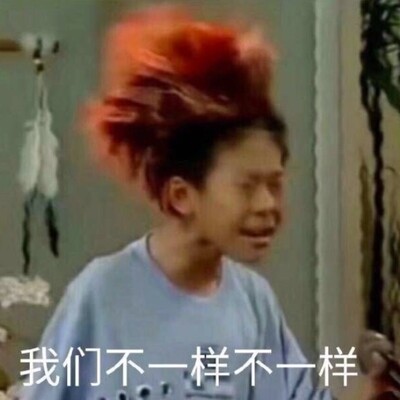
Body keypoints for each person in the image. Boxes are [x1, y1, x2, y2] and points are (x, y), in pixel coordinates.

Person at [17, 5, 395, 400]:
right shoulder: (101, 294)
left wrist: (370, 390)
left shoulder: (252, 302)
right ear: (182, 196)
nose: (268, 204)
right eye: (247, 186)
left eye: (275, 184)